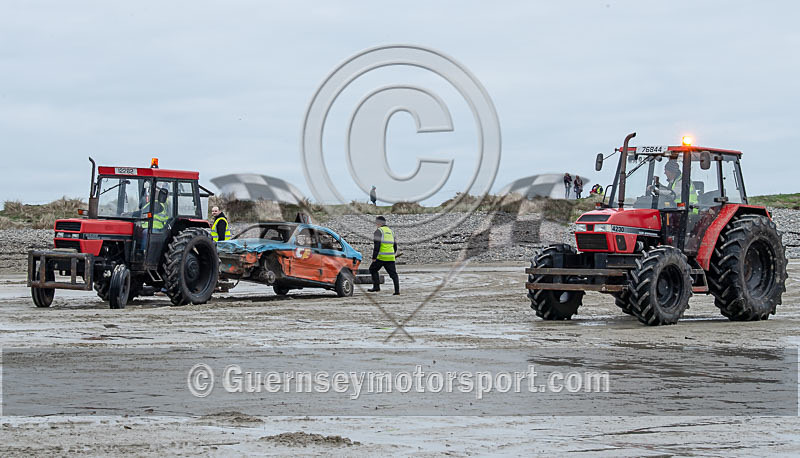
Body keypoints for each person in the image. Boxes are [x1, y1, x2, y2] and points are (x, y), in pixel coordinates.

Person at [368, 215, 399, 295]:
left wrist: (374, 257)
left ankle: (376, 287)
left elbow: (377, 245)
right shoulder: (391, 232)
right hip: (390, 257)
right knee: (394, 274)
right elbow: (395, 245)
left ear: (379, 223)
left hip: (381, 257)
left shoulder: (378, 231)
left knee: (372, 269)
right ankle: (397, 291)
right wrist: (393, 254)